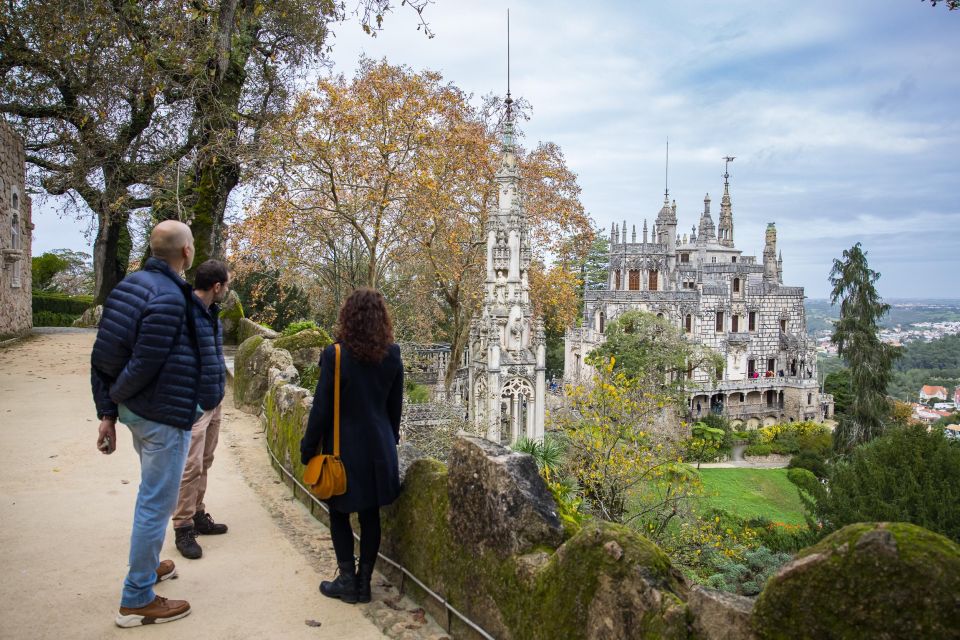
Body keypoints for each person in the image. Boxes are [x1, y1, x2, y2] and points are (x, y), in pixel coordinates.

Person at [91, 220, 200, 627]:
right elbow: (144, 364)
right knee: (155, 505)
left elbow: (100, 357)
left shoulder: (127, 288)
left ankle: (147, 567)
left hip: (139, 414)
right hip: (162, 416)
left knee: (151, 496)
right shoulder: (171, 297)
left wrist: (108, 412)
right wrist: (117, 398)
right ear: (186, 252)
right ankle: (137, 598)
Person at [300, 288, 404, 605]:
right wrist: (391, 440)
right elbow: (395, 407)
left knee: (339, 514)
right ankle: (364, 583)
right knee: (371, 516)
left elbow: (321, 409)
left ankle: (346, 580)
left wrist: (308, 447)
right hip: (379, 448)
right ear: (381, 320)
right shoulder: (393, 354)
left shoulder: (336, 355)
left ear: (348, 317)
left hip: (343, 450)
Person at [173, 260, 231, 560]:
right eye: (227, 284)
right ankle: (182, 527)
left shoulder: (212, 315)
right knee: (190, 466)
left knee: (205, 461)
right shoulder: (184, 313)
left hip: (213, 398)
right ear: (217, 286)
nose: (227, 289)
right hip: (195, 403)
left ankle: (197, 513)